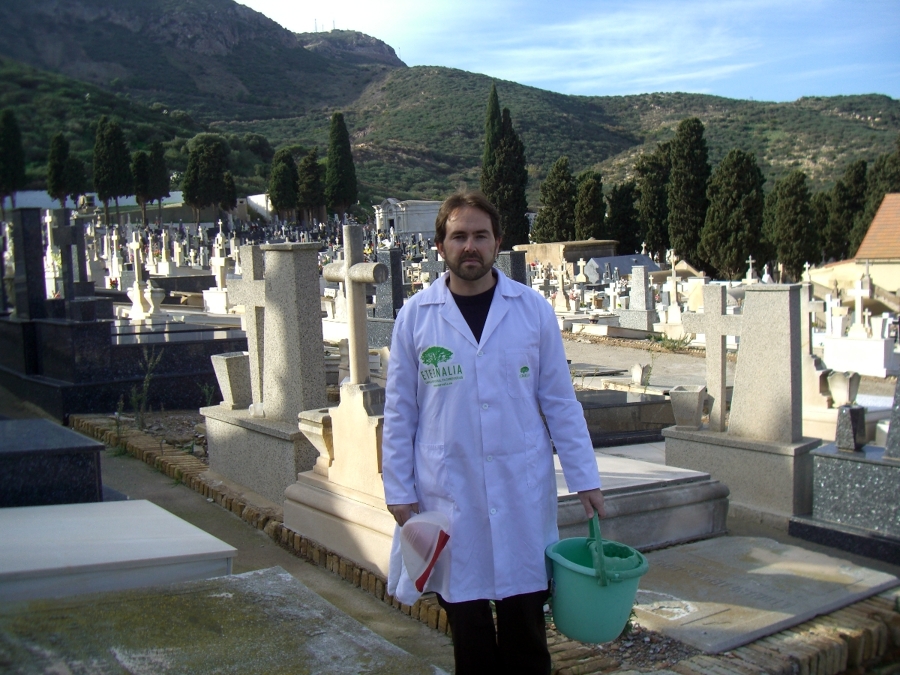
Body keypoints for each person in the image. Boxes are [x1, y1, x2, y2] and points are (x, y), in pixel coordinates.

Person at [382, 191, 605, 675]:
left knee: (526, 629)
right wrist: (399, 490)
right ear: (440, 245)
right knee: (470, 634)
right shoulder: (416, 317)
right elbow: (400, 412)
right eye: (459, 236)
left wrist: (585, 478)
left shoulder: (532, 310)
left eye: (480, 236)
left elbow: (560, 402)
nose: (470, 246)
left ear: (497, 243)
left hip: (519, 491)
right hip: (450, 495)